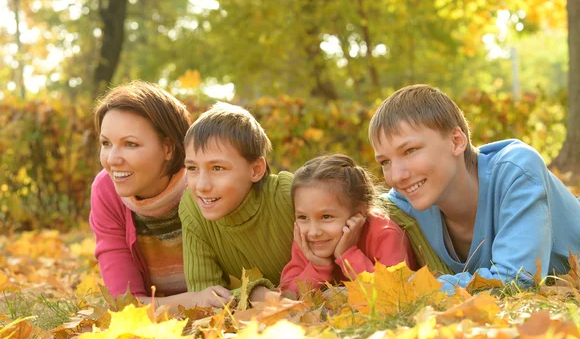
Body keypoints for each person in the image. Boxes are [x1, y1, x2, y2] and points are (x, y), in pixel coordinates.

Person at [368, 84, 580, 292]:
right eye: (385, 162)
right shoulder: (405, 203)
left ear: (456, 141)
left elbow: (516, 278)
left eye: (410, 150)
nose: (396, 176)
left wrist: (408, 290)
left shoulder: (517, 169)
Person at [89, 81, 232, 309]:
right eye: (106, 143)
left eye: (130, 144)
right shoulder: (106, 191)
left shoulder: (206, 185)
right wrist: (194, 301)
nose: (112, 159)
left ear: (168, 148)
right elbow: (125, 305)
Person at [179, 102, 294, 303]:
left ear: (256, 169)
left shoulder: (287, 195)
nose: (202, 186)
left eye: (217, 168)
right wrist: (254, 294)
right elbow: (208, 298)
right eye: (192, 168)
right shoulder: (192, 208)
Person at [279, 154, 417, 294]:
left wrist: (347, 255)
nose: (314, 232)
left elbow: (394, 294)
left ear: (360, 213)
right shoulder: (308, 240)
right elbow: (286, 295)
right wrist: (317, 267)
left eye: (326, 217)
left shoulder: (384, 234)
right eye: (303, 217)